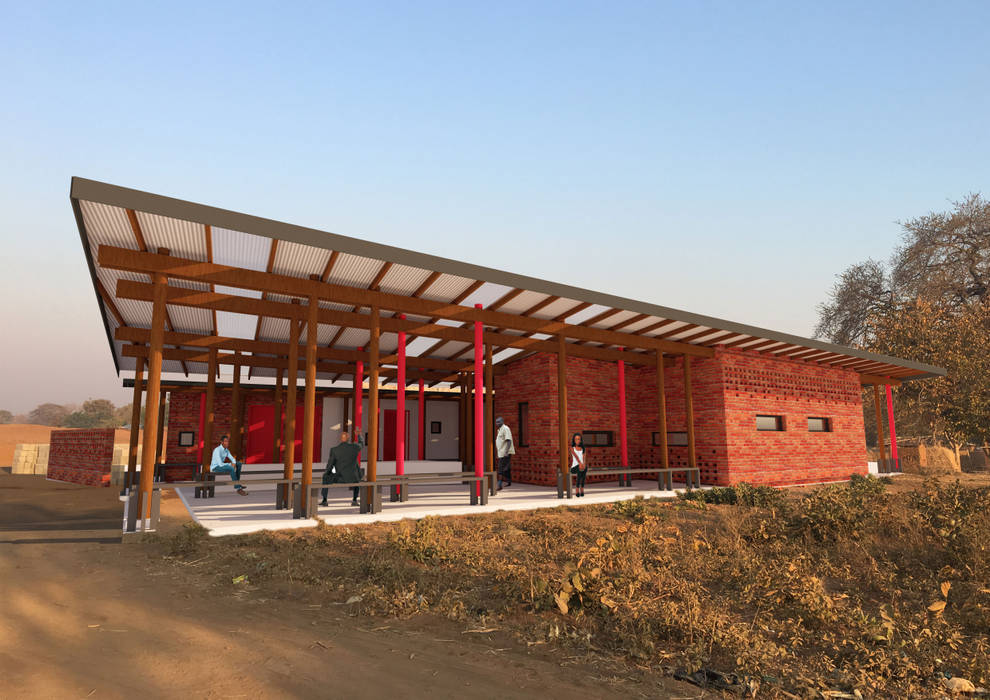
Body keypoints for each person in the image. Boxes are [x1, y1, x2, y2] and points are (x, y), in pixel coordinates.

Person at [320, 431, 364, 507]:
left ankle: (324, 500)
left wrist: (327, 473)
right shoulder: (354, 447)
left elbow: (330, 465)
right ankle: (354, 500)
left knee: (325, 477)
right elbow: (361, 444)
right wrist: (359, 435)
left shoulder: (334, 450)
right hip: (353, 478)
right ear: (348, 438)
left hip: (339, 478)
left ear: (341, 439)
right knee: (357, 476)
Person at [495, 417, 515, 490]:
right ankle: (509, 482)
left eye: (499, 422)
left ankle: (499, 485)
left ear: (502, 422)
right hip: (501, 452)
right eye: (496, 422)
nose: (497, 423)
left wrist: (506, 452)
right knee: (506, 467)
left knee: (500, 468)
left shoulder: (505, 429)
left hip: (505, 452)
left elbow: (508, 440)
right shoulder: (499, 430)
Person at [569, 432, 587, 497]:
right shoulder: (572, 448)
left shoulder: (583, 448)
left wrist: (584, 464)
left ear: (581, 440)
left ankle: (581, 487)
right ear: (574, 440)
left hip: (581, 466)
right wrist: (580, 463)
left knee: (585, 468)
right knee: (580, 469)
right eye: (576, 439)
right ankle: (577, 489)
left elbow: (584, 458)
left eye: (578, 439)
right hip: (574, 467)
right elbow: (576, 456)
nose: (577, 440)